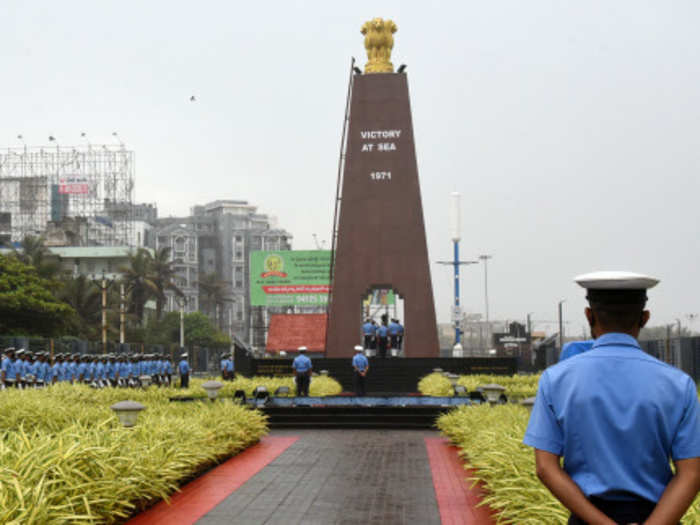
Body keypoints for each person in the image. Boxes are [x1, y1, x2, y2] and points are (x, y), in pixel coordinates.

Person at [523, 271, 700, 525]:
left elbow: (545, 468)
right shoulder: (679, 384)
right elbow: (691, 474)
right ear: (645, 318)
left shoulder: (556, 380)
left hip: (587, 518)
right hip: (658, 515)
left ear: (589, 315)